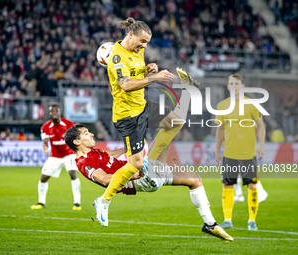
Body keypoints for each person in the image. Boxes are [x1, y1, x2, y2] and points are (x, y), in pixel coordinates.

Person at [94, 17, 198, 227]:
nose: (144, 46)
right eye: (142, 41)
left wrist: (147, 70)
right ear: (130, 35)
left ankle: (152, 160)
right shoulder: (116, 57)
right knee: (135, 165)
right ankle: (103, 201)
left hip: (142, 106)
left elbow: (136, 73)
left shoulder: (137, 50)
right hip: (127, 116)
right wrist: (155, 78)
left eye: (147, 43)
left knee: (175, 121)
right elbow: (125, 84)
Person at [64, 124, 233, 242]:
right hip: (140, 178)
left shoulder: (95, 152)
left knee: (194, 179)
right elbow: (105, 179)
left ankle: (210, 224)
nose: (91, 133)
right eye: (86, 133)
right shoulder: (83, 163)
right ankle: (184, 94)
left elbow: (109, 155)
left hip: (144, 174)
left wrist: (127, 148)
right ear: (77, 142)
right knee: (166, 131)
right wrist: (132, 174)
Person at [215, 74, 266, 231]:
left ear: (242, 86)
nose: (234, 85)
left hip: (248, 154)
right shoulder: (222, 105)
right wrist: (217, 151)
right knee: (227, 186)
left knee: (251, 186)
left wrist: (262, 146)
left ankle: (252, 221)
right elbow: (220, 129)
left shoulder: (251, 104)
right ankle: (227, 220)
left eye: (237, 83)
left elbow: (261, 126)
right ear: (228, 86)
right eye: (231, 83)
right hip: (229, 154)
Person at [31, 104, 81, 210]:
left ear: (60, 113)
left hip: (69, 154)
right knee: (43, 177)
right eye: (51, 111)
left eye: (56, 111)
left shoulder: (69, 124)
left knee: (73, 173)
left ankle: (77, 203)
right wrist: (45, 147)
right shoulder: (45, 127)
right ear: (49, 114)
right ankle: (41, 202)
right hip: (55, 156)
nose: (54, 113)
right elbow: (45, 141)